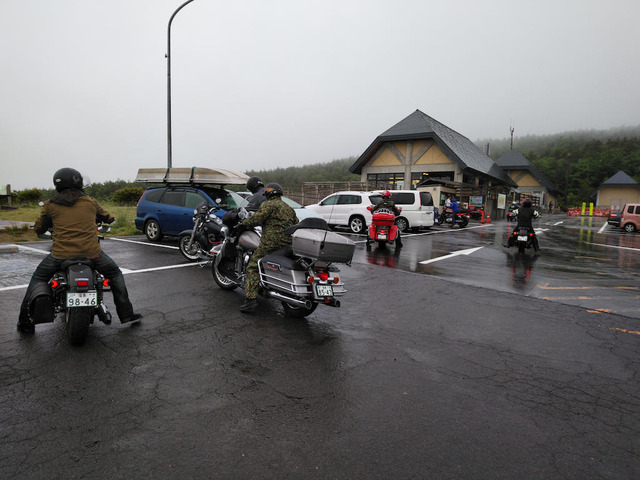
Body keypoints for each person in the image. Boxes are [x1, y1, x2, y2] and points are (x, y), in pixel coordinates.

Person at [17, 168, 142, 333]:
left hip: (60, 256)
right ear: (78, 182)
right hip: (93, 254)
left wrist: (44, 228)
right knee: (115, 274)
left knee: (38, 278)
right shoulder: (90, 202)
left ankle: (25, 321)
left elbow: (40, 227)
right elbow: (108, 217)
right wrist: (103, 218)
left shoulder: (50, 205)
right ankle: (126, 314)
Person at [238, 183, 298, 313]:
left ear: (268, 193)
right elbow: (296, 223)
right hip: (287, 243)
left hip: (270, 243)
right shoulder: (289, 208)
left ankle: (250, 300)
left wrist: (243, 222)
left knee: (253, 266)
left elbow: (256, 219)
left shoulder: (268, 205)